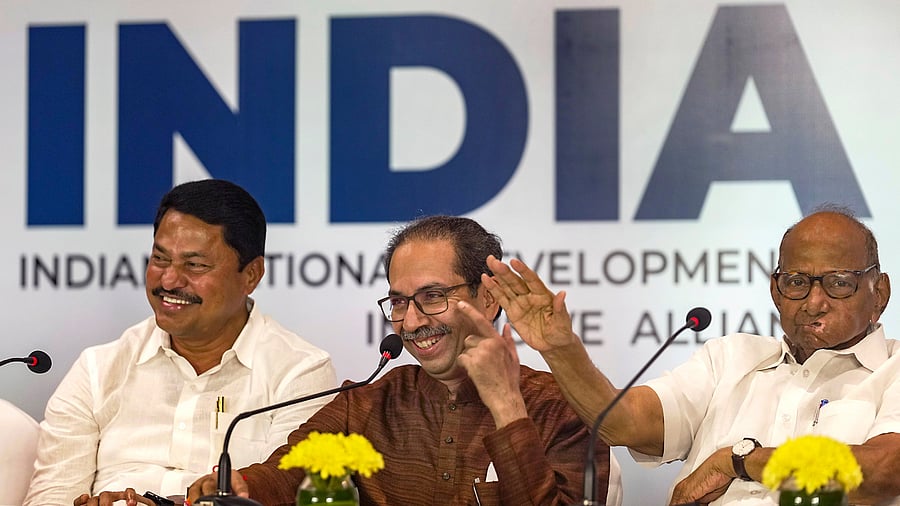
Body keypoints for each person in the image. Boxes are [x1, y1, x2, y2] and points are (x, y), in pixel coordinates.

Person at [187, 215, 621, 505]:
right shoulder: (370, 403)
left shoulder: (561, 407)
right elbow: (288, 472)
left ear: (487, 298)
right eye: (398, 302)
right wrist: (242, 488)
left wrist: (507, 406)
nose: (411, 321)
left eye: (432, 297)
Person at [483, 208, 900, 505]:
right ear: (775, 291)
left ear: (878, 292)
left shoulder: (893, 369)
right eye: (796, 282)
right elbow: (621, 422)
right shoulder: (730, 358)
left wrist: (739, 461)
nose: (814, 301)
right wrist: (560, 348)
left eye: (838, 284)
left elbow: (884, 471)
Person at [25, 179, 337, 506]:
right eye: (160, 259)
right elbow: (50, 497)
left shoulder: (301, 374)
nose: (169, 280)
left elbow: (285, 493)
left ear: (252, 275)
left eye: (195, 265)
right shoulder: (98, 370)